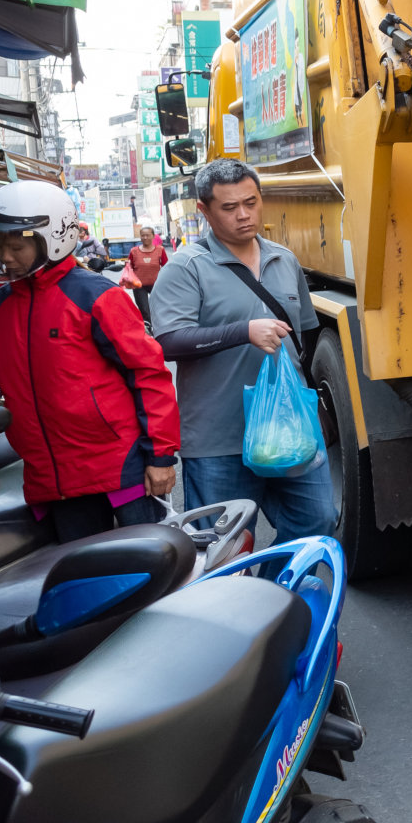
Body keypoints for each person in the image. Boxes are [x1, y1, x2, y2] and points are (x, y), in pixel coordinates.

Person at [0, 182, 179, 542]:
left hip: (121, 470)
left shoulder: (96, 297)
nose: (5, 256)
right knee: (83, 586)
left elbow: (149, 375)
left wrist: (161, 457)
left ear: (52, 240)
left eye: (16, 246)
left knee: (150, 576)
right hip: (52, 481)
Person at [151, 159, 336, 541]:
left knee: (316, 524)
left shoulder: (284, 260)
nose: (244, 215)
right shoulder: (186, 267)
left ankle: (275, 598)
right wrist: (243, 332)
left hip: (290, 430)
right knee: (226, 550)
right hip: (219, 439)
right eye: (229, 207)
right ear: (203, 210)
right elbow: (168, 342)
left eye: (251, 203)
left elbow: (304, 340)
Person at [127, 225, 171, 329]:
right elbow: (130, 267)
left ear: (153, 236)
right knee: (144, 310)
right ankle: (149, 330)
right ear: (140, 237)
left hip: (156, 284)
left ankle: (162, 327)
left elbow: (166, 266)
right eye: (143, 236)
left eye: (147, 235)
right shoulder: (134, 251)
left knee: (159, 308)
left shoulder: (160, 250)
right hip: (139, 285)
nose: (145, 238)